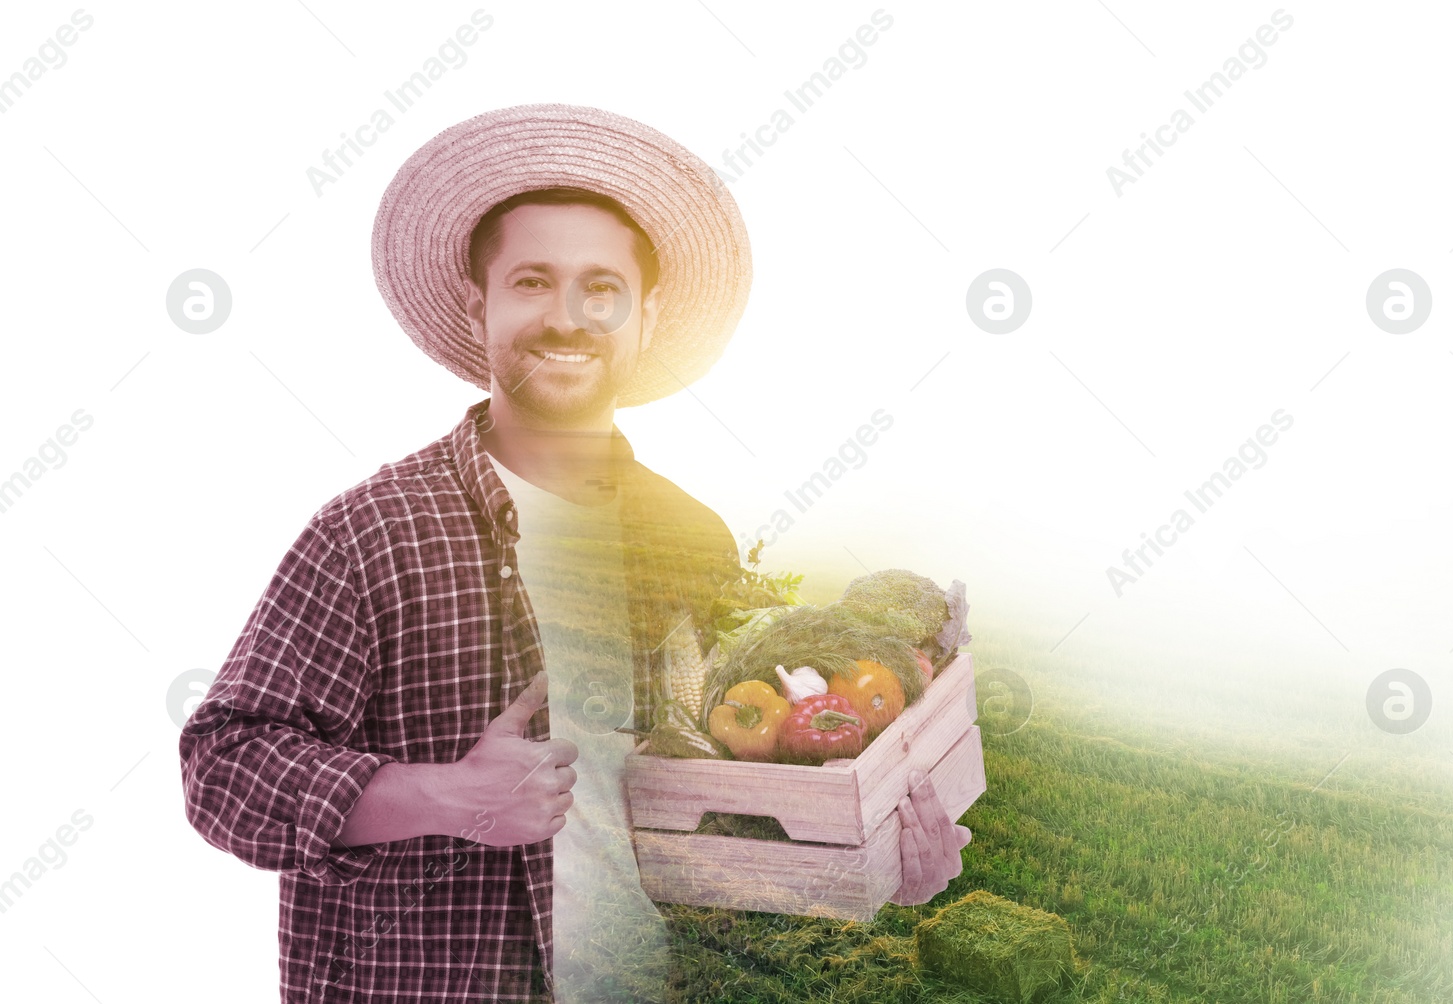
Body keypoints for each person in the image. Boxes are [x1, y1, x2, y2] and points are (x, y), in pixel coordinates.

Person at [178, 103, 968, 1004]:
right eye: (530, 282)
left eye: (601, 288)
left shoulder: (691, 538)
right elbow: (222, 768)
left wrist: (872, 857)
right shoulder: (374, 535)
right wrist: (447, 797)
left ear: (645, 315)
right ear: (479, 303)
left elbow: (730, 795)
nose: (567, 317)